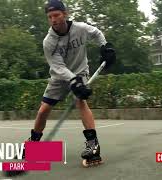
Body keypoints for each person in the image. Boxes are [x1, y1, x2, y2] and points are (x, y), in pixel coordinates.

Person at [27, 0, 116, 166]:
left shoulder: (80, 28)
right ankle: (34, 143)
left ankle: (93, 145)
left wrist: (105, 47)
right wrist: (73, 80)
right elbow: (58, 66)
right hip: (59, 77)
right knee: (43, 110)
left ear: (65, 14)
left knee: (80, 102)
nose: (53, 19)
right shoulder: (49, 42)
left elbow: (96, 33)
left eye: (56, 15)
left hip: (80, 71)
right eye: (50, 16)